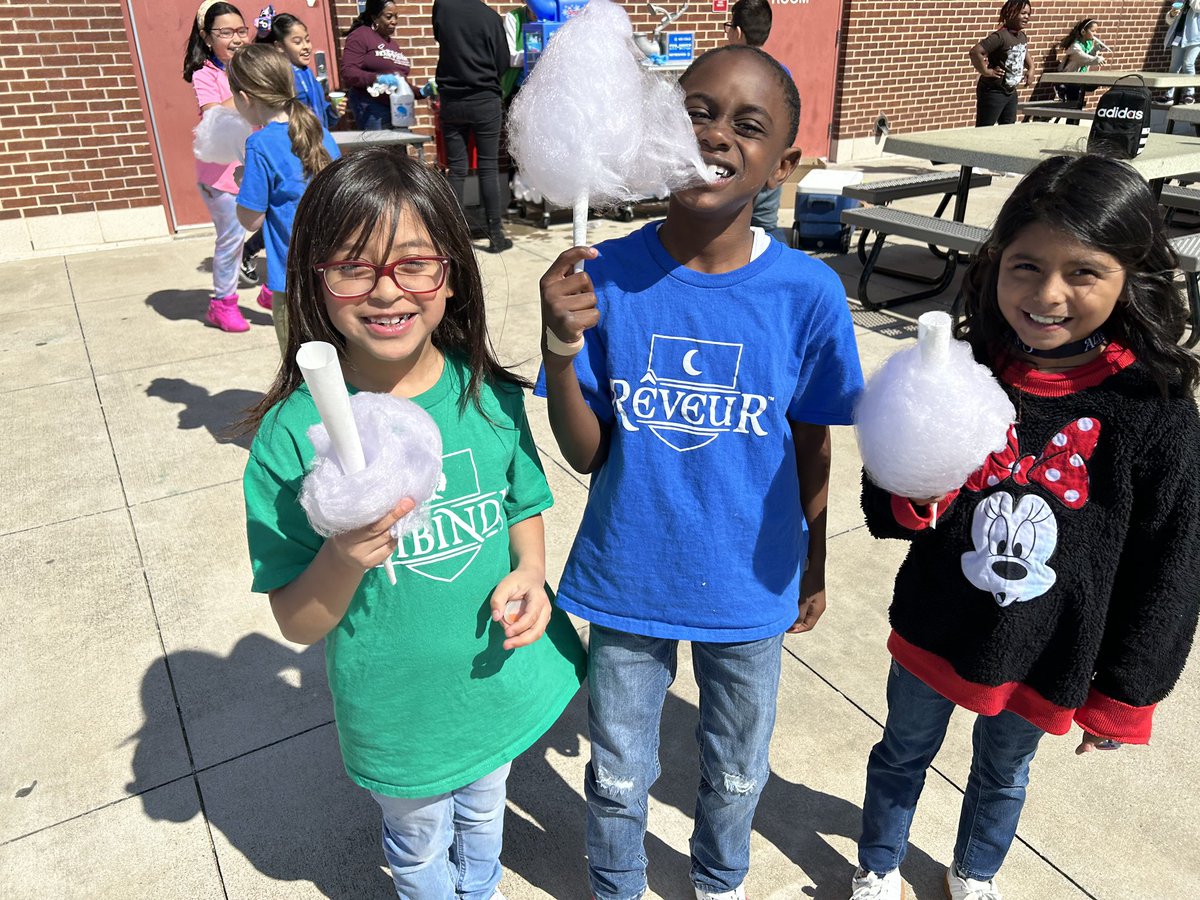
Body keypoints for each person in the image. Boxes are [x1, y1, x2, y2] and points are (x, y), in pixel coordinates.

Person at [536, 45, 864, 900]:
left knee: (735, 771)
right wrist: (559, 348)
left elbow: (813, 447)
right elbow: (586, 453)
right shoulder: (601, 274)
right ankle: (616, 886)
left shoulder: (809, 294)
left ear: (783, 163)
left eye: (747, 126)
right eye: (695, 111)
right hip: (628, 574)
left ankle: (719, 880)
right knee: (617, 772)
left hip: (748, 587)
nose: (714, 134)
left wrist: (814, 568)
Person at [847, 154, 1200, 900]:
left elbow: (1170, 563)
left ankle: (975, 871)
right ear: (994, 262)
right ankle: (878, 863)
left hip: (1047, 649)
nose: (1047, 295)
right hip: (936, 622)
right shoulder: (962, 367)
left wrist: (1127, 692)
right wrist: (911, 494)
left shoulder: (1156, 409)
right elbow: (887, 500)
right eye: (1026, 266)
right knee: (903, 750)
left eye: (1084, 273)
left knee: (1004, 771)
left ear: (1131, 276)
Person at [241, 147, 587, 899]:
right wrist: (343, 555)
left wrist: (530, 571)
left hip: (491, 689)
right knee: (420, 844)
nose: (386, 290)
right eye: (353, 267)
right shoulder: (292, 440)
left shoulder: (487, 397)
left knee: (485, 812)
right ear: (315, 282)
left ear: (451, 273)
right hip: (400, 715)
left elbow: (522, 503)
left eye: (414, 264)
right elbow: (298, 620)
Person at [228, 44, 340, 349]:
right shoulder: (320, 131)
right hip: (336, 277)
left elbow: (251, 220)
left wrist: (243, 183)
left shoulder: (260, 145)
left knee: (301, 368)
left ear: (245, 98)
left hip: (293, 282)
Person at [183, 0, 256, 332]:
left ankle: (272, 289)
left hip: (254, 165)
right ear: (207, 37)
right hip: (221, 174)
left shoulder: (247, 66)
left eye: (241, 30)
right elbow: (213, 116)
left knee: (275, 225)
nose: (237, 38)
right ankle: (222, 304)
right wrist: (249, 89)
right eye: (226, 32)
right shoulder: (206, 74)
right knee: (232, 237)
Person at [432, 0, 514, 253]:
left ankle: (454, 235)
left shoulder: (443, 6)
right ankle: (496, 234)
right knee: (488, 166)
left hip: (452, 98)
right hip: (485, 98)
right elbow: (503, 61)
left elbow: (441, 38)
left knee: (457, 168)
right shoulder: (491, 17)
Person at [723, 0, 788, 239]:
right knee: (766, 224)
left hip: (737, 163)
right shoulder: (782, 73)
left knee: (729, 225)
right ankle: (783, 272)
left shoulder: (729, 72)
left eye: (729, 25)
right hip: (771, 160)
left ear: (737, 32)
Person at [255, 7, 347, 129]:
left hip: (318, 140)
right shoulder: (281, 76)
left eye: (307, 40)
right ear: (279, 46)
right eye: (297, 42)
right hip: (298, 143)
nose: (306, 47)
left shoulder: (306, 72)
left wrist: (333, 111)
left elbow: (321, 117)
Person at [340, 0, 412, 130]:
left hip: (397, 107)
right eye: (389, 16)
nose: (394, 21)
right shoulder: (361, 36)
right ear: (375, 18)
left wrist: (421, 91)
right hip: (373, 107)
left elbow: (398, 78)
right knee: (379, 149)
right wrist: (377, 78)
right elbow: (348, 71)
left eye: (396, 17)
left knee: (398, 149)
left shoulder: (392, 44)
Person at [969, 0, 1032, 127]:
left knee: (1007, 128)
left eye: (1029, 14)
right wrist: (986, 71)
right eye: (1023, 13)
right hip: (993, 91)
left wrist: (1031, 68)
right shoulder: (1000, 36)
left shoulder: (1021, 36)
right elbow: (975, 52)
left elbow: (1023, 51)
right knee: (985, 128)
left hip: (1010, 91)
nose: (1027, 17)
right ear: (1010, 13)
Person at [1055, 18, 1110, 106]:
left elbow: (1088, 56)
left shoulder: (1087, 44)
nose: (1095, 34)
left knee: (1079, 101)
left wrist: (1095, 49)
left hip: (1078, 80)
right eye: (1093, 31)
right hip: (1068, 80)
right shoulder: (1075, 47)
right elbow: (1084, 58)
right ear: (1084, 32)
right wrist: (1096, 59)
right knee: (1072, 105)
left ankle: (1074, 118)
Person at [1160, 0, 1200, 104]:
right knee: (1173, 67)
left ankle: (1189, 94)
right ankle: (1169, 96)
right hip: (1178, 36)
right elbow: (1169, 20)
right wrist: (1172, 14)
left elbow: (1197, 7)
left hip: (1195, 38)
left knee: (1188, 64)